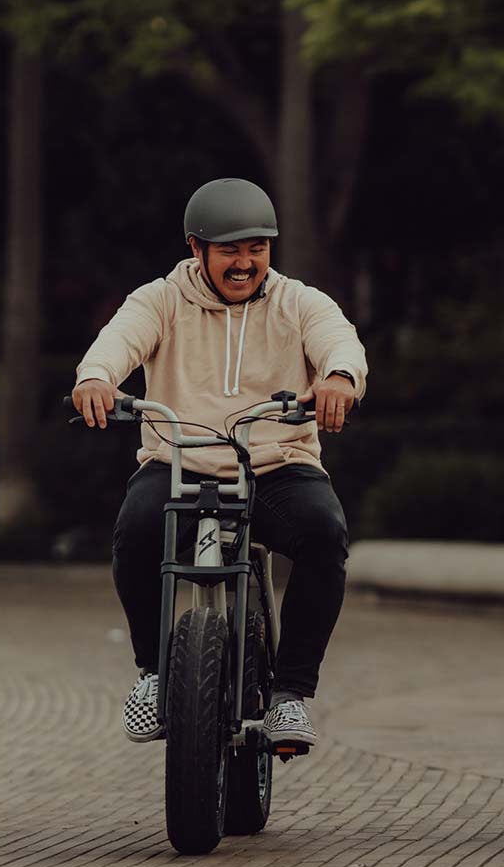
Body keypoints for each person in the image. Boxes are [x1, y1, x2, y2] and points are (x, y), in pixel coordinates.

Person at [71, 178, 367, 747]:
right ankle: (153, 675)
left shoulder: (299, 301)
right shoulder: (159, 300)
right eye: (230, 249)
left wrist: (338, 377)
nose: (245, 261)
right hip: (178, 460)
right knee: (134, 531)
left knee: (325, 534)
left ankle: (290, 697)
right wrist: (96, 377)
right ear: (195, 248)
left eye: (257, 248)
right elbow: (118, 341)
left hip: (276, 463)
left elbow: (339, 341)